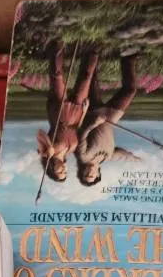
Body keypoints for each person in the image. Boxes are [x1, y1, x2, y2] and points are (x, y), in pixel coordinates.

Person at [75, 52, 141, 186]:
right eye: (92, 176)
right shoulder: (107, 157)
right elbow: (121, 155)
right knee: (130, 90)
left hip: (93, 113)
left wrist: (94, 123)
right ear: (98, 174)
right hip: (111, 117)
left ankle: (91, 51)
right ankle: (127, 60)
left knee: (92, 80)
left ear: (82, 172)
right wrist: (134, 158)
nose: (90, 173)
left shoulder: (83, 157)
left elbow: (82, 135)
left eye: (86, 174)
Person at [38, 40, 99, 182]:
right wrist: (84, 112)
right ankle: (93, 47)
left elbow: (39, 133)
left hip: (59, 113)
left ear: (52, 169)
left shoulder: (46, 153)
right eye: (65, 172)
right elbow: (76, 129)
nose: (64, 169)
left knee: (57, 77)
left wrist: (49, 147)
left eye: (60, 172)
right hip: (77, 114)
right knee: (86, 79)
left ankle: (57, 44)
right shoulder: (70, 151)